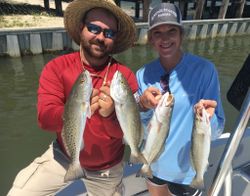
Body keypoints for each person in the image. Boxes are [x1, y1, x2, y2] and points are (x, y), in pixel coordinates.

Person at [7, 0, 138, 195]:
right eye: (94, 28)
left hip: (107, 167)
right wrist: (75, 108)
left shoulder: (123, 76)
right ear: (81, 28)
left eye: (109, 33)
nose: (101, 37)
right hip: (63, 157)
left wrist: (110, 115)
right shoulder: (56, 68)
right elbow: (44, 119)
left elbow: (124, 133)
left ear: (115, 39)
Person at [136, 3, 225, 196]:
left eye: (171, 31)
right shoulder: (143, 74)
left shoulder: (205, 70)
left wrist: (209, 120)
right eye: (157, 32)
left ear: (181, 35)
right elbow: (142, 130)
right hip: (153, 163)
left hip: (187, 172)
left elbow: (218, 130)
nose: (165, 38)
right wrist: (142, 107)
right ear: (150, 38)